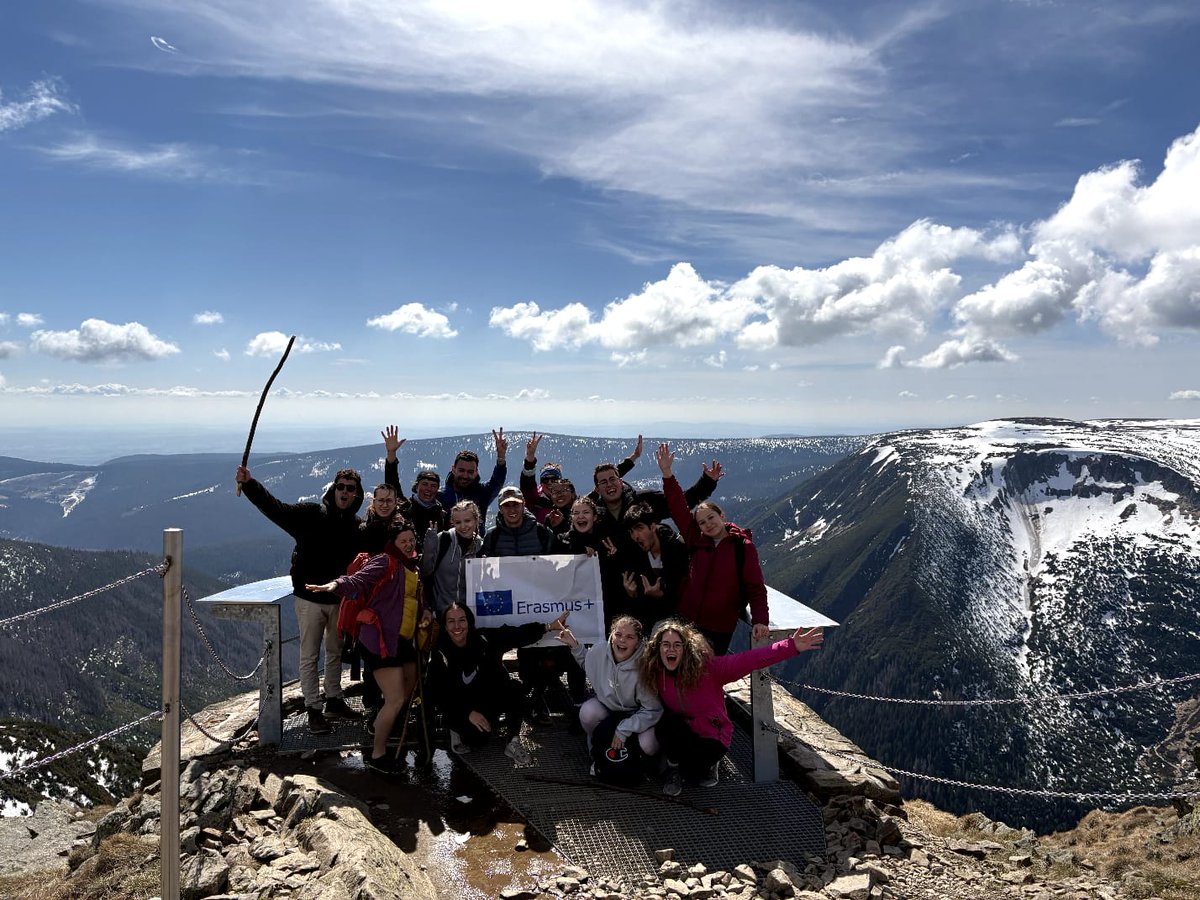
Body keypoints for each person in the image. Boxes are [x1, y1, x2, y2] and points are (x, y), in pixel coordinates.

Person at [235, 463, 364, 734]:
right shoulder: (311, 514)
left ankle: (334, 699)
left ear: (356, 493)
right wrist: (250, 485)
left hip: (339, 600)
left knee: (334, 652)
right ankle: (314, 708)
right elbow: (276, 509)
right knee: (310, 655)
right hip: (310, 598)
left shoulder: (356, 526)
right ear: (333, 489)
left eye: (350, 488)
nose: (344, 492)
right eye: (340, 486)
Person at [640, 618, 823, 795]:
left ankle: (707, 765)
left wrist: (791, 646)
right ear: (658, 648)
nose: (671, 649)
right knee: (666, 724)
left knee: (694, 773)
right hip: (683, 731)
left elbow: (753, 659)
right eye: (666, 644)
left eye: (677, 645)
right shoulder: (655, 672)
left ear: (686, 648)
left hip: (711, 736)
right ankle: (675, 768)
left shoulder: (709, 669)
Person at [306, 520, 430, 773]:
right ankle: (378, 753)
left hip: (403, 639)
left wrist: (425, 611)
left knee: (409, 689)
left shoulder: (412, 566)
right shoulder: (385, 561)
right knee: (395, 699)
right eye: (403, 541)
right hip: (380, 641)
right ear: (393, 543)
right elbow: (358, 580)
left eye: (411, 540)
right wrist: (335, 585)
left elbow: (414, 598)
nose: (408, 545)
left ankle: (385, 725)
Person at [655, 442, 768, 656]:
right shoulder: (696, 539)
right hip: (686, 619)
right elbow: (678, 506)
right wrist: (667, 473)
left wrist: (760, 620)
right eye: (702, 522)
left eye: (711, 518)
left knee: (709, 671)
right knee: (680, 667)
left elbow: (756, 588)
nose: (708, 524)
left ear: (722, 516)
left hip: (719, 627)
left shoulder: (743, 547)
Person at [426, 603, 569, 766]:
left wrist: (549, 627)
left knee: (516, 690)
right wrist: (467, 713)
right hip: (460, 707)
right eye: (451, 621)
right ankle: (456, 731)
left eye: (462, 620)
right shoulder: (440, 654)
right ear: (445, 626)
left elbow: (515, 634)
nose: (457, 626)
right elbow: (436, 695)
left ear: (469, 622)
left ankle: (512, 741)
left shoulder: (483, 638)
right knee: (477, 740)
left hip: (487, 698)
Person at [557, 616, 661, 763]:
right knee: (588, 712)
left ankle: (643, 763)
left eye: (630, 637)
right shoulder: (599, 650)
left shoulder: (646, 665)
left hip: (636, 714)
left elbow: (653, 710)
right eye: (618, 634)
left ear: (638, 642)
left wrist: (625, 728)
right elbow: (588, 663)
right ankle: (597, 751)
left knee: (648, 744)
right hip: (608, 708)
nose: (622, 640)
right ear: (611, 635)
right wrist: (574, 645)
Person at [519, 432, 642, 525]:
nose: (550, 483)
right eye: (545, 480)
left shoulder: (576, 505)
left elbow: (605, 480)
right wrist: (530, 458)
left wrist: (632, 458)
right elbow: (527, 482)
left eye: (554, 479)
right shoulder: (535, 499)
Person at [617, 501, 688, 635]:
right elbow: (638, 596)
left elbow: (684, 591)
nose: (635, 536)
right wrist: (632, 594)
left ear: (653, 526)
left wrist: (662, 596)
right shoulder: (634, 554)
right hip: (649, 620)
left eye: (639, 528)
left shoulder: (677, 550)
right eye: (631, 531)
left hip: (680, 620)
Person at [421, 499, 483, 614]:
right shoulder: (443, 539)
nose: (463, 526)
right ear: (452, 522)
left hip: (468, 614)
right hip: (442, 612)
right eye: (458, 522)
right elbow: (425, 571)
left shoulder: (481, 546)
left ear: (476, 520)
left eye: (467, 521)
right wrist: (429, 545)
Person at [437, 429, 508, 525]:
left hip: (476, 535)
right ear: (453, 469)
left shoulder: (481, 493)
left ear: (476, 472)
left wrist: (501, 458)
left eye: (470, 472)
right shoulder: (440, 496)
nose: (465, 476)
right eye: (461, 470)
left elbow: (496, 483)